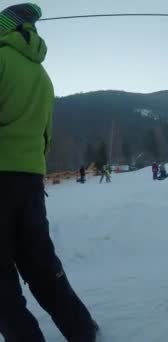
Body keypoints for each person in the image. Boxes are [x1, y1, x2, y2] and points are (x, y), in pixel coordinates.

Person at [0, 3, 98, 341]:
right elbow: (46, 133)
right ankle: (82, 330)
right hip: (28, 178)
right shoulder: (42, 75)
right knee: (41, 262)